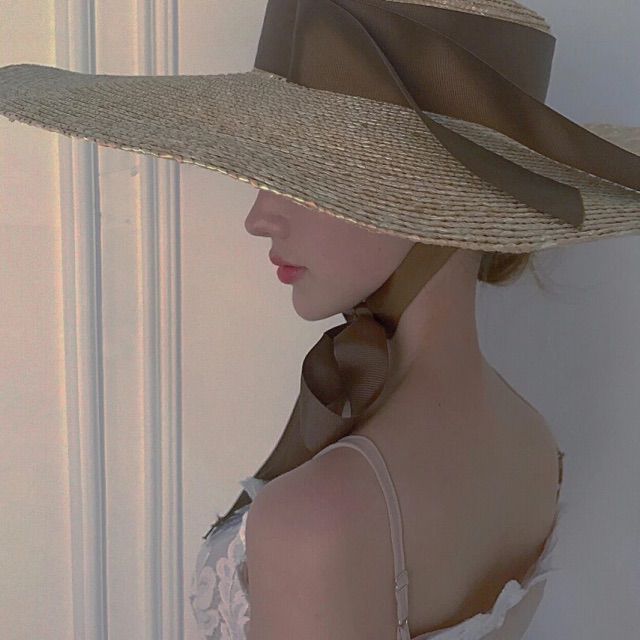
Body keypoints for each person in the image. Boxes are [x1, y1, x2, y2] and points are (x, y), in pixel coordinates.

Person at [1, 0, 638, 638]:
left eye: (307, 175)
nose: (259, 217)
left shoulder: (320, 523)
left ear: (430, 197)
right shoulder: (534, 442)